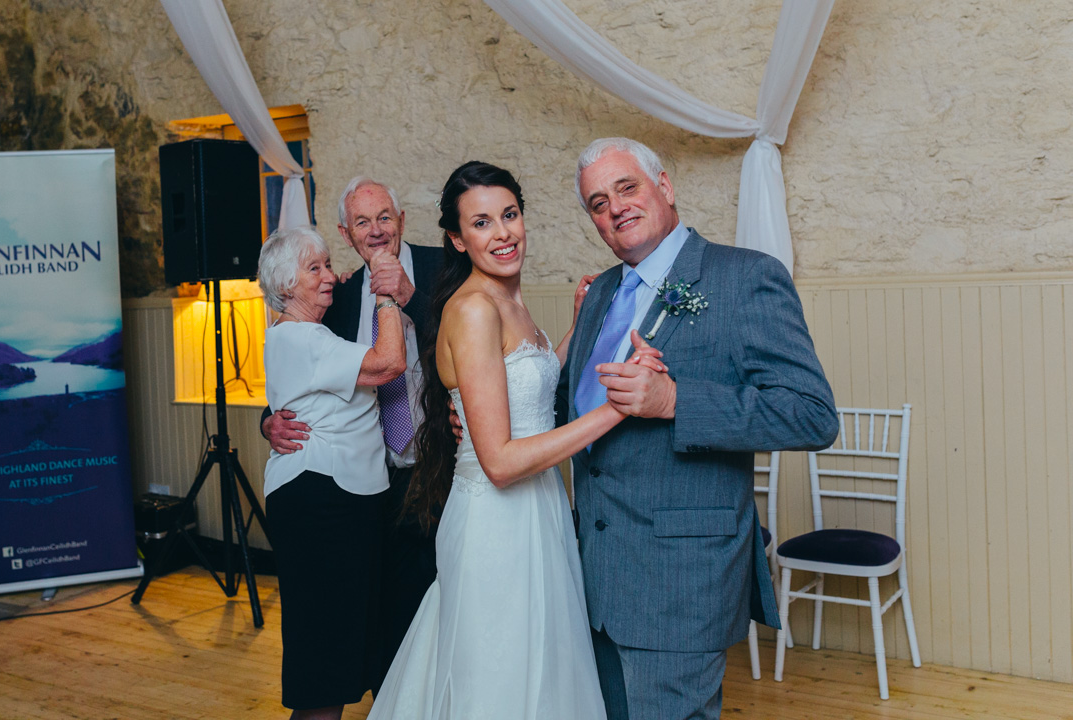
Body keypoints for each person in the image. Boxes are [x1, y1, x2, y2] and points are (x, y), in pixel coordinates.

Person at [366, 162, 663, 720]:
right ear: (457, 239)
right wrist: (615, 411)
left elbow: (524, 390)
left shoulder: (511, 303)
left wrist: (576, 327)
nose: (503, 233)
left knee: (543, 672)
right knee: (499, 678)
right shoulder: (474, 309)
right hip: (495, 523)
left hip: (541, 510)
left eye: (510, 215)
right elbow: (500, 461)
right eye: (482, 223)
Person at [559, 137, 839, 720]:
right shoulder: (601, 293)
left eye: (627, 187)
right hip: (592, 572)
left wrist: (676, 401)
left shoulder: (746, 277)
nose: (615, 207)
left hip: (679, 577)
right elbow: (578, 410)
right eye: (597, 202)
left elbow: (812, 413)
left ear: (664, 186)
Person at [261, 177, 444, 693]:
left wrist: (404, 295)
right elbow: (295, 384)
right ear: (346, 232)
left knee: (439, 603)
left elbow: (469, 340)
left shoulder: (440, 268)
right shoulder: (335, 296)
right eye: (362, 222)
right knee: (375, 616)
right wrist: (268, 421)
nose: (376, 230)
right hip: (364, 487)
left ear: (402, 221)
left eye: (385, 217)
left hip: (434, 468)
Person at [257, 226, 406, 720]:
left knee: (335, 653)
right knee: (323, 660)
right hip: (320, 502)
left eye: (327, 264)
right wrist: (385, 295)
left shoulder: (299, 332)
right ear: (284, 287)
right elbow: (389, 363)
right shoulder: (300, 337)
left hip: (336, 499)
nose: (329, 277)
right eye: (314, 269)